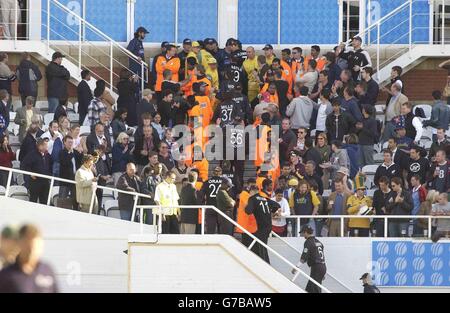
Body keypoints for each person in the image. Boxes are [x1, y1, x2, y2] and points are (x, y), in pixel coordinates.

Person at [0, 224, 58, 293]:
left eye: (16, 240)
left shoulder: (46, 269)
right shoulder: (7, 272)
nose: (14, 244)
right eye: (9, 239)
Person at [245, 178, 281, 263]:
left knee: (262, 246)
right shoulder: (264, 198)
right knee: (258, 244)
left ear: (252, 191)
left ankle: (266, 264)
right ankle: (260, 262)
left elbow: (248, 211)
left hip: (261, 227)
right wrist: (271, 213)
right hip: (268, 225)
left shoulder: (252, 198)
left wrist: (249, 206)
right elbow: (277, 205)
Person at [292, 224, 326, 293]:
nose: (302, 235)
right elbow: (321, 257)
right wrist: (323, 272)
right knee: (310, 288)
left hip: (316, 267)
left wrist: (296, 267)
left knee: (315, 289)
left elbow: (304, 257)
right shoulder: (319, 242)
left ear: (306, 232)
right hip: (322, 266)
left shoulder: (308, 242)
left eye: (303, 233)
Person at [22, 138, 52, 204]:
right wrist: (30, 174)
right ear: (40, 146)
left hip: (45, 182)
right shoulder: (32, 155)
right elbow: (24, 165)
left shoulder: (47, 156)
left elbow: (50, 167)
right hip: (35, 182)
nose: (46, 147)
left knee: (44, 201)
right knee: (33, 201)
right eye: (45, 145)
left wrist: (49, 175)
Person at [58, 135, 82, 210]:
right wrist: (71, 153)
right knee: (62, 198)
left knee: (75, 198)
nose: (70, 144)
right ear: (64, 143)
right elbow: (65, 162)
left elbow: (81, 160)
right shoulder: (61, 152)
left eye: (72, 142)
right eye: (69, 142)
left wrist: (80, 151)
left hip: (74, 179)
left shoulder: (75, 152)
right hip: (65, 179)